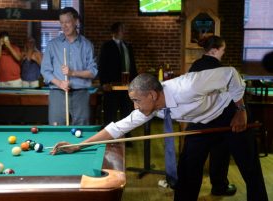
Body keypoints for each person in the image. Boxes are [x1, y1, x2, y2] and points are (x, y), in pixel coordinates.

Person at [51, 69, 268, 201]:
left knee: (250, 169)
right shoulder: (151, 107)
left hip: (230, 112)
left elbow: (230, 74)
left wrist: (241, 110)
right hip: (201, 121)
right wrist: (78, 145)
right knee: (187, 170)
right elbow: (118, 127)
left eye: (136, 100)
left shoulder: (188, 86)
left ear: (153, 95)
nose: (135, 106)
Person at [187, 35, 236, 196]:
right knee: (220, 157)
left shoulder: (195, 65)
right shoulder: (220, 70)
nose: (223, 53)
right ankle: (219, 187)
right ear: (215, 50)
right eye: (223, 50)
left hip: (197, 121)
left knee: (193, 163)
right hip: (218, 122)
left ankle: (188, 195)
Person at [41, 7, 98, 125]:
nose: (64, 26)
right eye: (61, 22)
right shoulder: (53, 45)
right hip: (58, 93)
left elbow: (93, 72)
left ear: (76, 21)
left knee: (82, 130)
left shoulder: (87, 45)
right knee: (56, 129)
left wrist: (73, 73)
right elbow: (45, 71)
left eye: (67, 22)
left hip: (81, 93)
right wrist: (60, 83)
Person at [98, 22, 137, 128]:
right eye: (121, 29)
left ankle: (127, 138)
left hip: (127, 87)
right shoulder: (107, 46)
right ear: (114, 32)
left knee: (128, 113)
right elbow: (101, 65)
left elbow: (132, 66)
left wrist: (135, 83)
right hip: (111, 87)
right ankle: (109, 139)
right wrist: (104, 83)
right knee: (110, 115)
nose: (124, 32)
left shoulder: (128, 46)